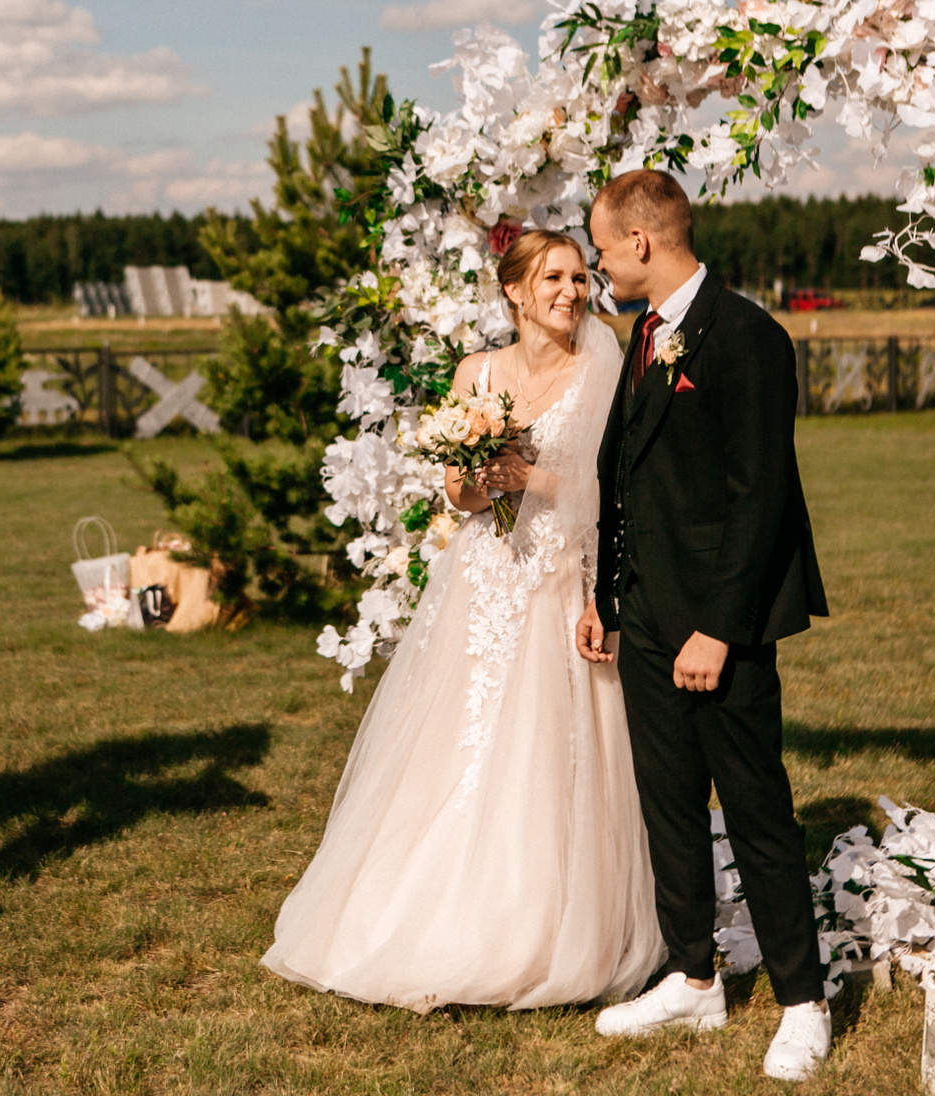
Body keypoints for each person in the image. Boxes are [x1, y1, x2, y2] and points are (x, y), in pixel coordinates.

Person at [262, 229, 665, 1012]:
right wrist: (484, 478)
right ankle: (421, 910)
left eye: (579, 278)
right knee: (460, 740)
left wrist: (533, 482)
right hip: (483, 584)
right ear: (514, 290)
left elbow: (613, 490)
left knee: (545, 748)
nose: (572, 292)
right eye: (554, 278)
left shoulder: (602, 370)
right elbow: (458, 492)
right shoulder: (475, 372)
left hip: (561, 582)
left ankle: (537, 927)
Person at [576, 170, 832, 1081]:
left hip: (721, 626)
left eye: (602, 248)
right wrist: (608, 600)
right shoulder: (644, 335)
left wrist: (719, 629)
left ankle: (803, 1000)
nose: (600, 265)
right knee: (669, 803)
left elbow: (761, 497)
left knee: (756, 808)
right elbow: (625, 480)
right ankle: (692, 976)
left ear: (640, 241)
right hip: (646, 618)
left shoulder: (748, 337)